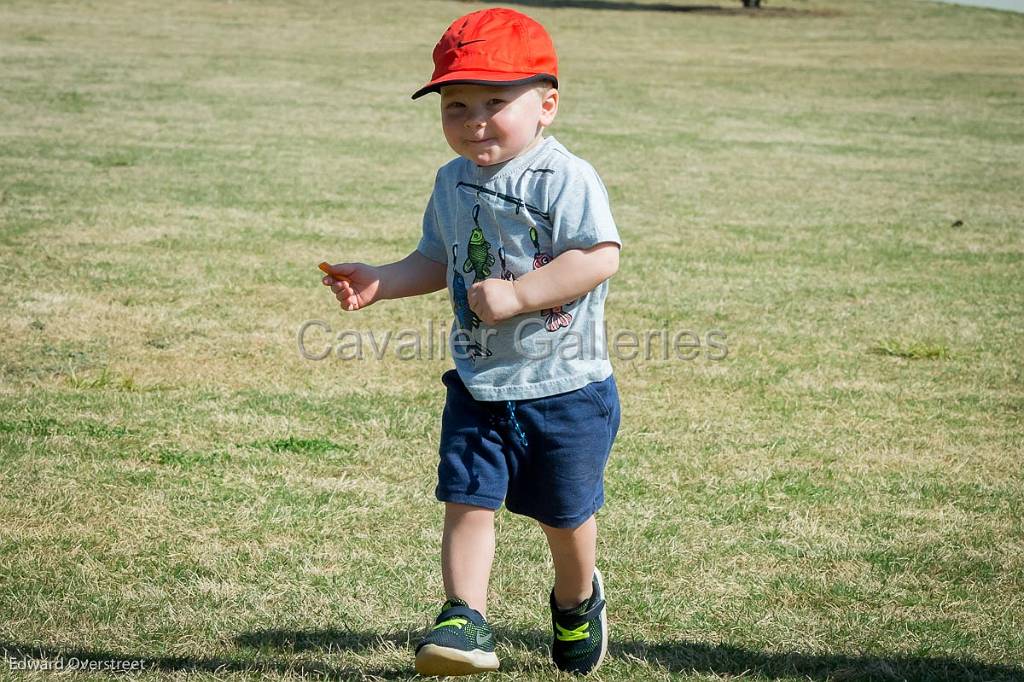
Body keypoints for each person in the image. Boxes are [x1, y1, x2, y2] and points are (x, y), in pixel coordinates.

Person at [320, 7, 622, 676]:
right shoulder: (450, 181)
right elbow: (439, 259)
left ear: (546, 105)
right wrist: (382, 281)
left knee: (564, 515)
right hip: (480, 384)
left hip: (565, 388)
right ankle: (465, 616)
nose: (474, 119)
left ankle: (576, 602)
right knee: (468, 498)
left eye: (495, 101)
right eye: (456, 105)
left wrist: (519, 294)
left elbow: (598, 257)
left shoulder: (564, 178)